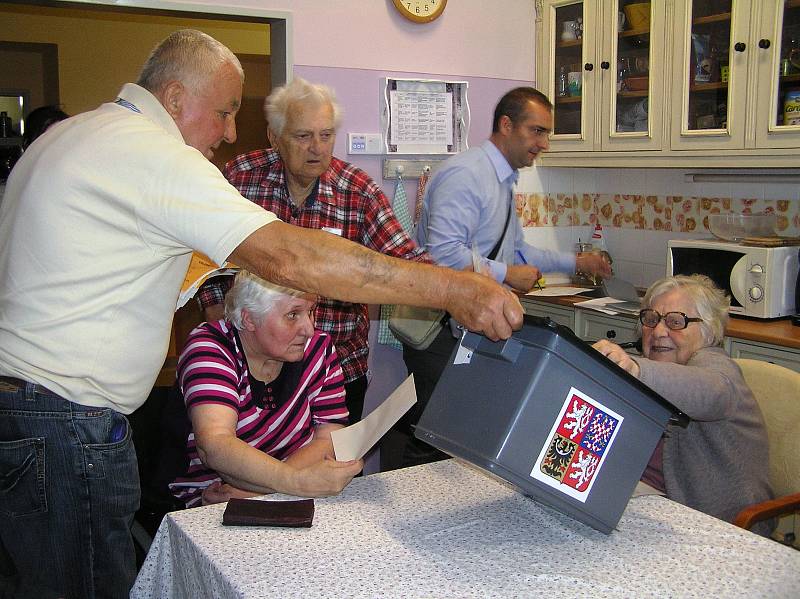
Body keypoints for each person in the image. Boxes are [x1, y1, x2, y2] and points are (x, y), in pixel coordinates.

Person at [0, 30, 522, 599]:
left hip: (31, 413)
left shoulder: (75, 135)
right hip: (63, 421)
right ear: (174, 100)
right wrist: (456, 291)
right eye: (224, 112)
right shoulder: (151, 155)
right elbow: (293, 257)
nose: (228, 133)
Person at [389, 87, 611, 470]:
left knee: (459, 439)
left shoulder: (502, 179)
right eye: (537, 131)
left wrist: (576, 261)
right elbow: (443, 255)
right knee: (434, 442)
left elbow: (517, 251)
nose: (544, 144)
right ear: (506, 125)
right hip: (439, 330)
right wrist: (509, 274)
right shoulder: (467, 175)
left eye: (547, 134)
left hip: (467, 328)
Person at [197, 77, 431, 424]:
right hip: (251, 365)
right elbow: (201, 255)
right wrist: (217, 308)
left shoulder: (358, 190)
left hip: (335, 367)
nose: (318, 148)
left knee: (328, 466)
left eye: (326, 135)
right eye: (303, 136)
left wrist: (453, 286)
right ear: (274, 138)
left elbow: (405, 260)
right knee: (255, 467)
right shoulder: (239, 178)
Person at [592, 274, 773, 535]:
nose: (658, 331)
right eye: (651, 319)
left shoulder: (716, 368)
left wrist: (635, 369)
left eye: (676, 322)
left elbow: (710, 391)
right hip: (649, 504)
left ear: (708, 331)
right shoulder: (644, 366)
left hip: (718, 524)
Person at [169, 271, 357, 508]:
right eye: (293, 315)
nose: (309, 329)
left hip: (279, 490)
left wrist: (267, 489)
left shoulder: (318, 348)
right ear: (249, 319)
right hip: (212, 499)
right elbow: (215, 446)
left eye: (310, 311)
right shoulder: (210, 347)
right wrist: (292, 482)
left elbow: (330, 435)